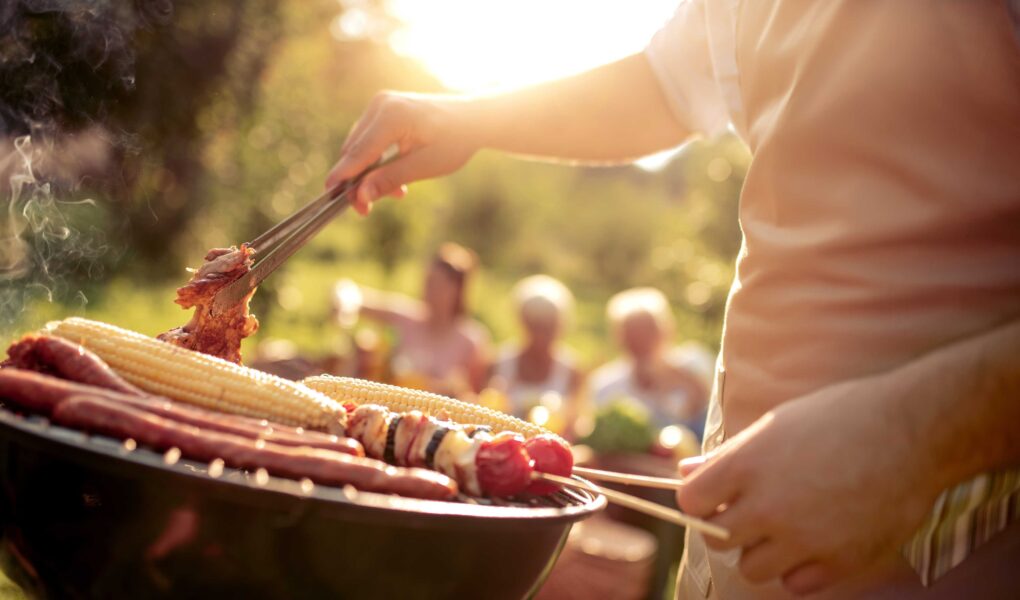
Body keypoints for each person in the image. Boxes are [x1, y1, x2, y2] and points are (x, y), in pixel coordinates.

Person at [322, 2, 1020, 597]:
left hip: (942, 545)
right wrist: (472, 117)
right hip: (731, 548)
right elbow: (668, 85)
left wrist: (913, 438)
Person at [331, 242, 490, 397]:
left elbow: (478, 399)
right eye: (428, 281)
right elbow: (351, 295)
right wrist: (343, 306)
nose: (429, 290)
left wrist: (457, 390)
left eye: (438, 284)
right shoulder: (406, 317)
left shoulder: (472, 341)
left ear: (457, 292)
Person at [591, 287, 710, 441]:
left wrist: (673, 376)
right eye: (632, 333)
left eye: (648, 331)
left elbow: (708, 413)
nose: (641, 341)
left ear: (666, 331)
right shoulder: (606, 384)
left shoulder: (694, 361)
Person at [489, 275, 583, 430]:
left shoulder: (572, 370)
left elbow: (576, 423)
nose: (541, 334)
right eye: (535, 325)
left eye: (548, 326)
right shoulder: (498, 362)